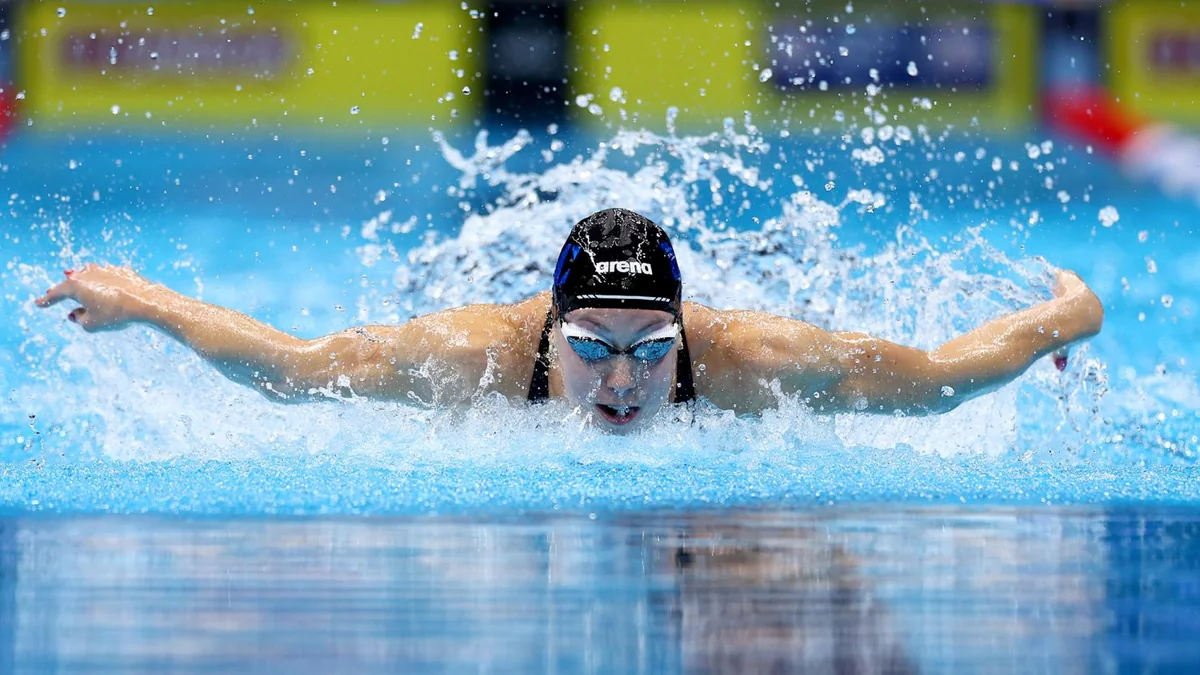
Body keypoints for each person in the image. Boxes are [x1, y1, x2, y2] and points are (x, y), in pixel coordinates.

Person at [35, 208, 1104, 434]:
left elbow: (937, 379)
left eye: (651, 350)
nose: (626, 381)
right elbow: (292, 367)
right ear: (551, 333)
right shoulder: (470, 356)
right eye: (594, 349)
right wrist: (146, 303)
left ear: (686, 335)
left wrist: (1068, 315)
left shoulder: (750, 361)